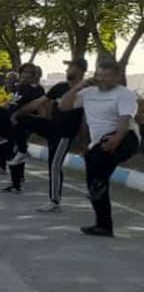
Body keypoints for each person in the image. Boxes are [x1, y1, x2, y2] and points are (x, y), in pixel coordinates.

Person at [59, 59, 140, 237]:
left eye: (107, 76)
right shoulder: (88, 93)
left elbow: (125, 119)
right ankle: (103, 226)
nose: (103, 79)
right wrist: (78, 86)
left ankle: (99, 184)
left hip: (126, 137)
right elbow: (63, 106)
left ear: (117, 77)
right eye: (100, 75)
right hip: (99, 142)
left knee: (97, 162)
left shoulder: (124, 94)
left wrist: (117, 138)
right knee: (93, 179)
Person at [20, 58, 86, 213]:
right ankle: (21, 150)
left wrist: (85, 142)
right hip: (51, 128)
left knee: (55, 165)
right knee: (21, 118)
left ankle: (54, 201)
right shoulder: (60, 87)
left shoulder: (86, 91)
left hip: (64, 134)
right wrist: (19, 112)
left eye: (70, 67)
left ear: (80, 70)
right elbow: (40, 102)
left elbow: (86, 118)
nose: (67, 70)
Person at [0, 63, 45, 193]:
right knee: (12, 149)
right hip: (12, 122)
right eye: (23, 72)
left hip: (24, 122)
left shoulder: (38, 90)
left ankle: (17, 181)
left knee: (17, 148)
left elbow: (39, 106)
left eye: (29, 73)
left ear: (34, 75)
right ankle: (16, 180)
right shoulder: (19, 87)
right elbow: (12, 102)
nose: (25, 75)